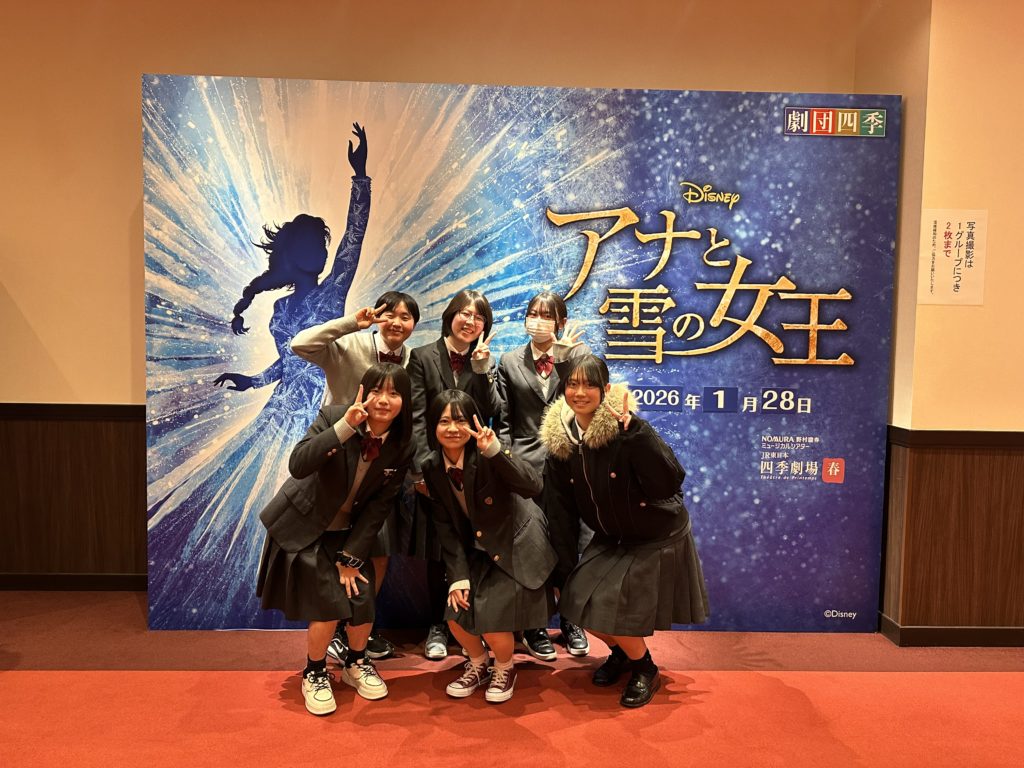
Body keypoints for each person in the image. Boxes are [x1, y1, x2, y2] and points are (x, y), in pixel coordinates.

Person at [147, 124, 373, 629]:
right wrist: (251, 381)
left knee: (325, 505)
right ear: (293, 254)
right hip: (281, 414)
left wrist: (360, 178)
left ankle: (327, 605)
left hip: (325, 414)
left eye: (321, 242)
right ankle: (279, 597)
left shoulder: (333, 291)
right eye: (312, 242)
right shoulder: (282, 310)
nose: (322, 249)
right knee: (274, 502)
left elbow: (353, 242)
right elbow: (287, 365)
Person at [539, 355, 709, 708]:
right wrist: (564, 568)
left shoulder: (627, 428)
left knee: (612, 610)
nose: (580, 392)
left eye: (590, 385)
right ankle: (622, 655)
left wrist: (637, 435)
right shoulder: (561, 445)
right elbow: (560, 512)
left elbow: (668, 482)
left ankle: (645, 668)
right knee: (576, 601)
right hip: (612, 537)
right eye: (573, 384)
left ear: (605, 389)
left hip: (654, 532)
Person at [255, 363, 414, 716]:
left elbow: (380, 504)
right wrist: (345, 427)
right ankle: (314, 672)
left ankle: (356, 662)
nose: (383, 400)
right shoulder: (334, 416)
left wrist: (351, 556)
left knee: (363, 599)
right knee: (328, 606)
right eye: (376, 391)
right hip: (307, 525)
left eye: (394, 393)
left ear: (405, 401)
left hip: (350, 532)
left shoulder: (404, 444)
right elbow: (299, 464)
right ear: (363, 392)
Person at [290, 291, 420, 661]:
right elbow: (300, 344)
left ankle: (359, 627)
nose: (396, 322)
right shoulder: (349, 345)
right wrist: (351, 323)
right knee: (330, 550)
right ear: (378, 316)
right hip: (337, 460)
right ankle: (329, 633)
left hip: (383, 465)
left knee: (377, 547)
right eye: (390, 314)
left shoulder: (415, 359)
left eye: (406, 316)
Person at [423, 390, 556, 703]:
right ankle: (479, 663)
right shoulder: (431, 465)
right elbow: (445, 527)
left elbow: (533, 485)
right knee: (455, 617)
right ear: (432, 426)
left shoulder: (488, 452)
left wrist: (496, 452)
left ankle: (505, 667)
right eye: (444, 421)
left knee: (494, 622)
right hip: (477, 550)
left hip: (515, 544)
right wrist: (458, 576)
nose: (452, 428)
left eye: (460, 420)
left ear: (474, 424)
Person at [407, 289, 502, 659]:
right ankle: (437, 623)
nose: (470, 321)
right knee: (438, 547)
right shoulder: (422, 357)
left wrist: (482, 370)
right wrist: (422, 472)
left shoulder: (484, 360)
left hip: (474, 472)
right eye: (464, 313)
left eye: (478, 317)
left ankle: (472, 622)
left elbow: (491, 412)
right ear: (450, 316)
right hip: (434, 469)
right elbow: (416, 417)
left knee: (474, 545)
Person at [496, 290, 591, 660]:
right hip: (524, 467)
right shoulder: (509, 360)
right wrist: (508, 462)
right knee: (530, 545)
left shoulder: (577, 357)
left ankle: (570, 619)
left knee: (566, 542)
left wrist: (568, 361)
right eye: (533, 313)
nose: (538, 320)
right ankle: (533, 626)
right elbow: (503, 419)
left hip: (568, 464)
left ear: (561, 322)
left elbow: (586, 402)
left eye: (547, 315)